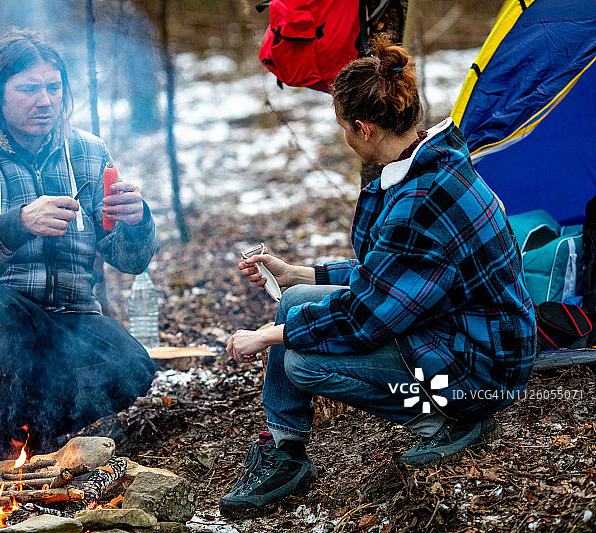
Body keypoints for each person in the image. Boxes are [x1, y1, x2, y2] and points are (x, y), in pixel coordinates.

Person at [220, 37, 536, 518]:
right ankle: (285, 450)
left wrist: (267, 336)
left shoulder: (418, 202)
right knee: (295, 300)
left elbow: (367, 318)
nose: (345, 138)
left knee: (300, 361)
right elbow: (391, 276)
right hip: (458, 330)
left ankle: (447, 418)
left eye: (344, 127)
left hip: (480, 368)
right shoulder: (432, 163)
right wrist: (296, 272)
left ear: (364, 129)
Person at [0, 29, 158, 461]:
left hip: (65, 325)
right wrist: (16, 225)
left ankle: (34, 438)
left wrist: (138, 221)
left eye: (53, 87)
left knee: (132, 366)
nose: (44, 100)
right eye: (29, 89)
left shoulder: (88, 152)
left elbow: (131, 260)